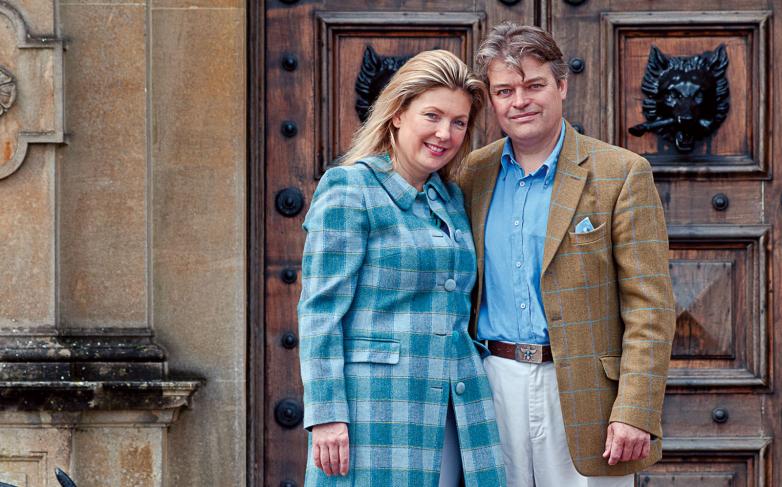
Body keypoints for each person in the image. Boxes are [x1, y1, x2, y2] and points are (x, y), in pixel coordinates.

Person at [456, 23, 676, 487]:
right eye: (505, 91)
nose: (520, 101)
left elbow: (649, 307)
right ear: (491, 99)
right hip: (490, 386)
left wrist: (635, 409)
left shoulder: (621, 173)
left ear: (561, 85)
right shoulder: (472, 173)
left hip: (585, 395)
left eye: (534, 85)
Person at [298, 49, 506, 487]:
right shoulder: (350, 188)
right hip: (373, 409)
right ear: (397, 114)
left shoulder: (450, 197)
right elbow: (320, 311)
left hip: (457, 408)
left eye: (459, 122)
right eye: (432, 116)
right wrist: (326, 413)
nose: (445, 133)